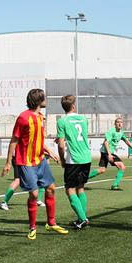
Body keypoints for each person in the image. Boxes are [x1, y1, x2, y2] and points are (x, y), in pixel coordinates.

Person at [3, 88, 68, 240]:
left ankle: (51, 223)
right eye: (43, 98)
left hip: (41, 160)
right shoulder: (23, 118)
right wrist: (7, 162)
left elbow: (38, 139)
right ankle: (32, 227)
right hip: (26, 162)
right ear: (38, 100)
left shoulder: (40, 117)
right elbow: (14, 140)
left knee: (51, 188)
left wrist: (50, 151)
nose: (46, 100)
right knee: (33, 194)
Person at [56, 95, 91, 229]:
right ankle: (81, 218)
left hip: (74, 159)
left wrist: (62, 159)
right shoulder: (83, 118)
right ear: (74, 106)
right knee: (80, 187)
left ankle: (83, 219)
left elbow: (61, 145)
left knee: (69, 189)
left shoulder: (62, 121)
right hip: (86, 157)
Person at [88, 118, 132, 190]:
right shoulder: (111, 131)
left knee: (102, 169)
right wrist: (109, 154)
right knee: (122, 167)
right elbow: (106, 142)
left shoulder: (121, 132)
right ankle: (115, 185)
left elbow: (126, 141)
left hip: (106, 152)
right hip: (106, 152)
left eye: (121, 122)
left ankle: (83, 178)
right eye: (118, 122)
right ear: (115, 124)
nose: (119, 124)